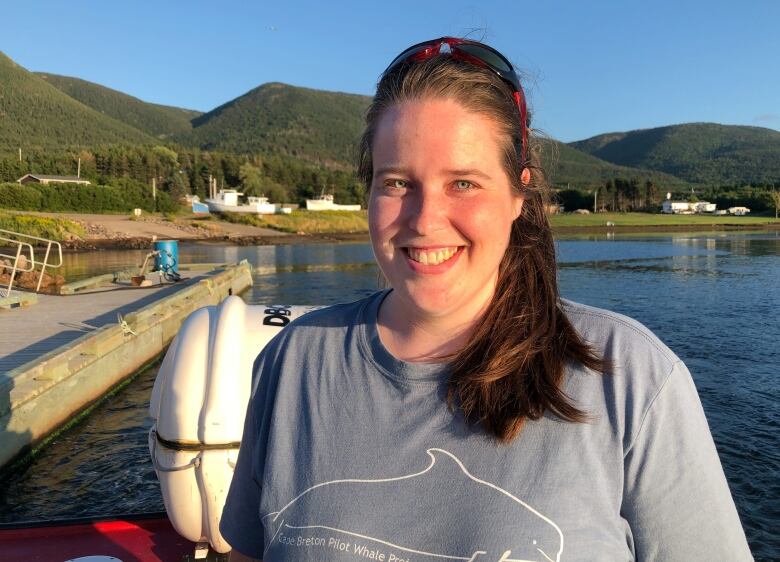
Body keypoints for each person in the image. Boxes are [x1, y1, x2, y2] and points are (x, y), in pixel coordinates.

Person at [221, 37, 752, 562]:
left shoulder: (631, 379)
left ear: (519, 194)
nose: (425, 221)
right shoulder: (291, 362)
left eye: (464, 183)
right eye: (398, 182)